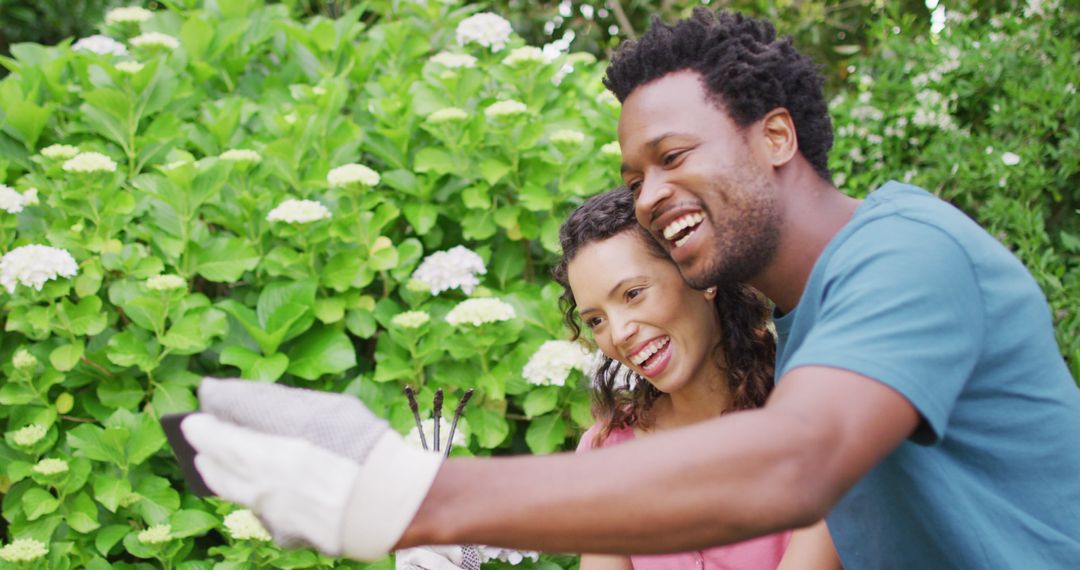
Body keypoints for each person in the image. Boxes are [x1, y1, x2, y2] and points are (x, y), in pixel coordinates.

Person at [181, 8, 1080, 568]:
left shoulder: (906, 254)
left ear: (775, 137)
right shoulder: (815, 324)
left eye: (673, 157)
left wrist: (411, 494)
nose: (649, 196)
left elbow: (795, 464)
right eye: (635, 174)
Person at [554, 186, 839, 570]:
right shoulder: (607, 450)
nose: (618, 333)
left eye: (633, 293)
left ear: (701, 274)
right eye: (596, 320)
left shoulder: (813, 421)